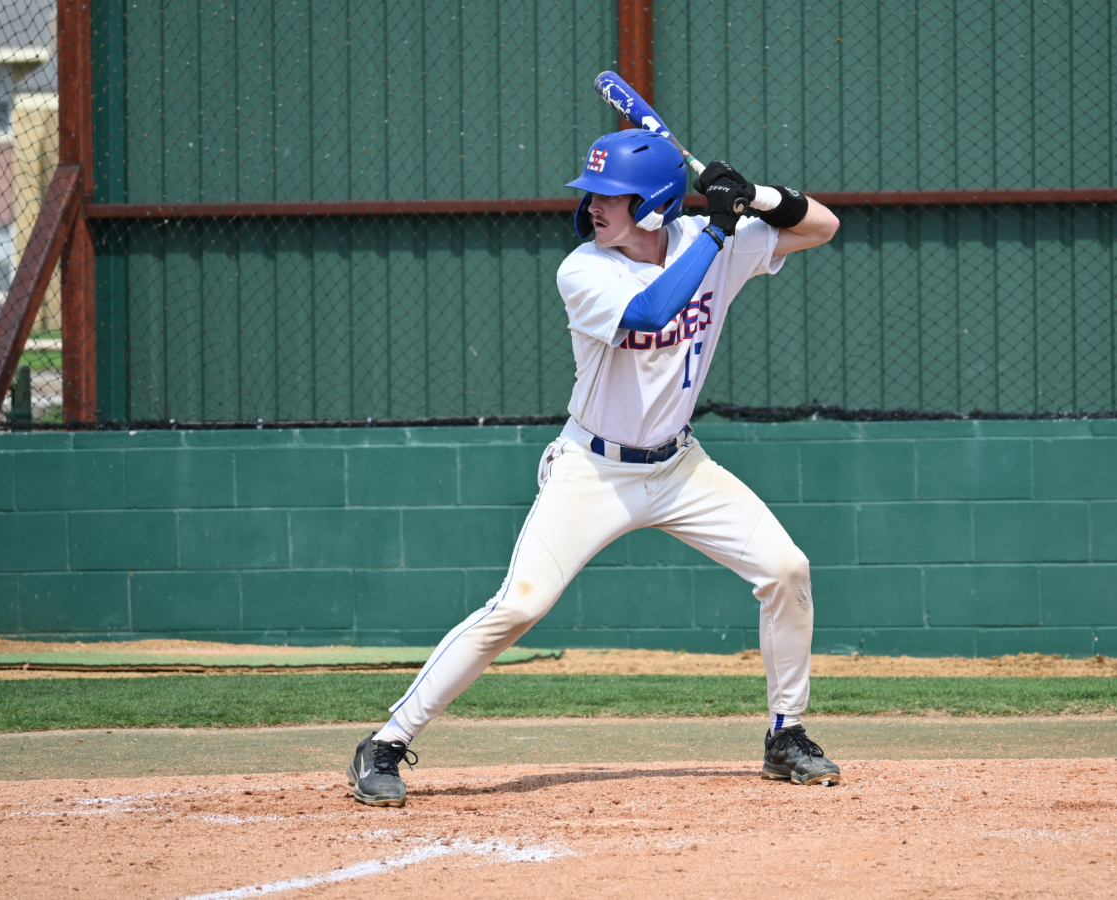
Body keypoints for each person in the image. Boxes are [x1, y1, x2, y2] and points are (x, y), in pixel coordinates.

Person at [344, 129, 842, 806]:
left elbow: (822, 226)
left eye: (613, 196)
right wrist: (720, 233)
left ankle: (787, 736)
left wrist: (752, 196)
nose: (594, 207)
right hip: (593, 469)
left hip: (679, 467)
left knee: (786, 569)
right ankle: (387, 743)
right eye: (594, 195)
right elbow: (651, 309)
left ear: (658, 202)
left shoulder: (710, 237)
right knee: (519, 606)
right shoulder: (585, 269)